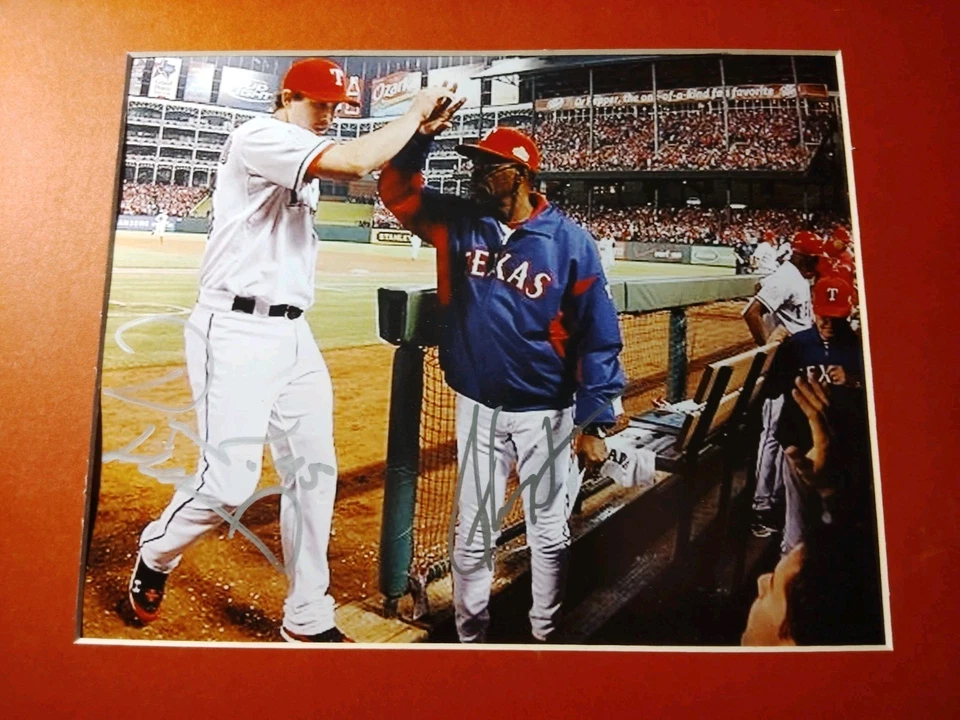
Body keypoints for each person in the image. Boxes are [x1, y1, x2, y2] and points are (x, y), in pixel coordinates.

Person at [127, 58, 455, 643]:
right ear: (287, 96)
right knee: (228, 481)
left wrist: (418, 138)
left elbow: (372, 174)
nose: (327, 114)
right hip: (234, 330)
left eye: (335, 106)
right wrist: (412, 111)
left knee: (313, 473)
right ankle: (157, 549)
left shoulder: (300, 151)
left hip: (292, 335)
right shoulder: (260, 136)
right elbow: (356, 160)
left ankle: (307, 617)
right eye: (319, 103)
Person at [379, 124, 625, 643]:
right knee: (471, 535)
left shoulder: (569, 242)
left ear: (521, 174)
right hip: (478, 406)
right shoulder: (459, 222)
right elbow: (397, 192)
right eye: (475, 165)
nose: (477, 175)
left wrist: (596, 418)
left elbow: (598, 335)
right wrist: (420, 137)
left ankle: (545, 634)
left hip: (547, 412)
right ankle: (472, 639)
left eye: (489, 167)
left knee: (549, 533)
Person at [768, 276, 867, 554]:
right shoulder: (797, 344)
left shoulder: (862, 347)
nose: (828, 323)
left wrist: (856, 381)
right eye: (824, 315)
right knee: (797, 522)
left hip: (843, 447)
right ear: (813, 308)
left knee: (836, 518)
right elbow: (772, 388)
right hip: (798, 442)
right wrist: (775, 350)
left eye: (836, 317)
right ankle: (791, 571)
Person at [742, 231, 823, 537]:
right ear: (805, 257)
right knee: (772, 436)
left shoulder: (795, 277)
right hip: (783, 367)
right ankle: (758, 508)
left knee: (782, 434)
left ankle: (771, 502)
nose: (817, 264)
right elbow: (751, 312)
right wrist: (767, 354)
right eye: (814, 258)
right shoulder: (789, 276)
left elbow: (761, 288)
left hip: (797, 364)